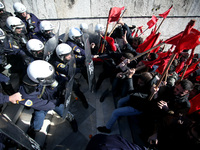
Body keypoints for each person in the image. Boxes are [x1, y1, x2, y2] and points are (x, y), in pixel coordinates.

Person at [18, 60, 78, 138]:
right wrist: (56, 102)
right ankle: (33, 131)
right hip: (42, 106)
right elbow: (40, 104)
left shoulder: (45, 72)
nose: (51, 78)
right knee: (37, 121)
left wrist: (66, 84)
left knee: (64, 112)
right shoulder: (26, 92)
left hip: (54, 98)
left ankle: (71, 119)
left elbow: (59, 78)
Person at [97, 69, 156, 133]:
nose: (138, 82)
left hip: (136, 107)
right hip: (133, 98)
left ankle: (107, 128)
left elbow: (130, 91)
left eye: (141, 83)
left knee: (115, 112)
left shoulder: (147, 92)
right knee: (120, 101)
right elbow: (133, 75)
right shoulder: (145, 79)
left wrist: (130, 77)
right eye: (139, 80)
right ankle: (119, 114)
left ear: (146, 83)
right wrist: (124, 75)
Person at [49, 43, 89, 108]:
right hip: (64, 79)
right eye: (67, 55)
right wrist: (81, 69)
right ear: (61, 56)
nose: (70, 56)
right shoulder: (56, 63)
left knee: (77, 89)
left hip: (69, 76)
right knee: (75, 89)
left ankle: (84, 101)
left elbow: (77, 58)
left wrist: (87, 58)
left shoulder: (68, 56)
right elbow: (67, 70)